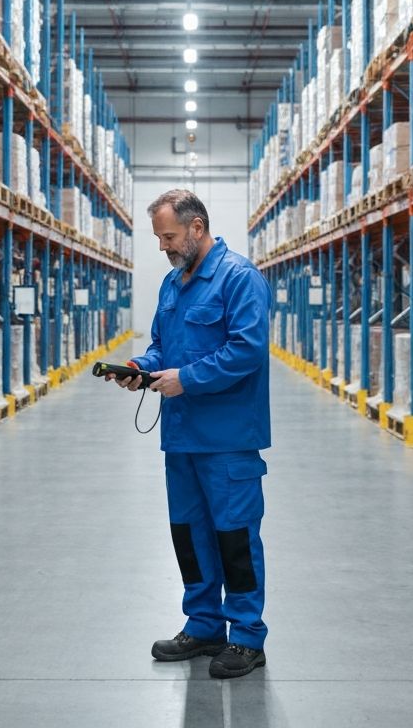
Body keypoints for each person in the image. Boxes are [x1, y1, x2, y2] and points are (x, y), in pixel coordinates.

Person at [106, 188, 271, 679]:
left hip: (227, 440)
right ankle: (203, 624)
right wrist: (139, 367)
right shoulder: (173, 284)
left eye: (169, 236)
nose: (163, 246)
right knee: (190, 536)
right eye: (160, 238)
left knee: (235, 538)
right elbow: (164, 346)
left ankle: (245, 637)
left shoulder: (239, 279)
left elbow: (247, 351)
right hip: (181, 438)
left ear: (197, 228)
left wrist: (188, 379)